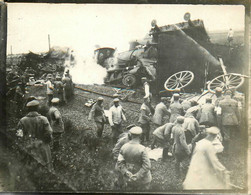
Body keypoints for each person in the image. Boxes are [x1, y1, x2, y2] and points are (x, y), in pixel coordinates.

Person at [16, 100, 53, 171]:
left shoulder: (22, 120)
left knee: (30, 169)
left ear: (28, 109)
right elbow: (49, 132)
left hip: (29, 148)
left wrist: (24, 144)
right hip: (42, 147)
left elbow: (19, 136)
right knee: (45, 168)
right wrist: (44, 141)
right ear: (37, 108)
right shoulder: (43, 119)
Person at [116, 126, 152, 191]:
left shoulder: (124, 147)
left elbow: (120, 162)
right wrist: (137, 176)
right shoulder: (142, 149)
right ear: (140, 136)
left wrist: (126, 172)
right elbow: (147, 166)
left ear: (130, 135)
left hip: (128, 177)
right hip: (142, 180)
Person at [218, 89, 240, 154]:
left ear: (224, 94)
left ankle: (227, 151)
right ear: (231, 94)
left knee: (226, 136)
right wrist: (239, 120)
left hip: (225, 120)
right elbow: (238, 112)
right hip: (234, 120)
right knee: (233, 135)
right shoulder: (235, 102)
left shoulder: (221, 102)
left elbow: (219, 113)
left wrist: (219, 121)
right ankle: (234, 150)